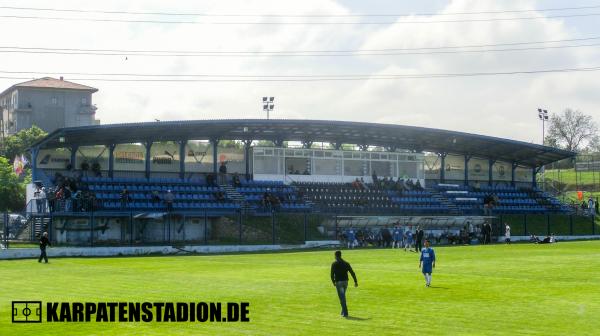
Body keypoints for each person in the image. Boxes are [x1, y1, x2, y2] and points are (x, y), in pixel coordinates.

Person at [330, 250, 358, 318]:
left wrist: (333, 282)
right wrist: (355, 281)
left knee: (342, 298)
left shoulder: (334, 264)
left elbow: (331, 274)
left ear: (336, 256)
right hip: (345, 282)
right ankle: (342, 311)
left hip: (339, 283)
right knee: (343, 297)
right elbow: (352, 272)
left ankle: (345, 313)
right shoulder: (346, 263)